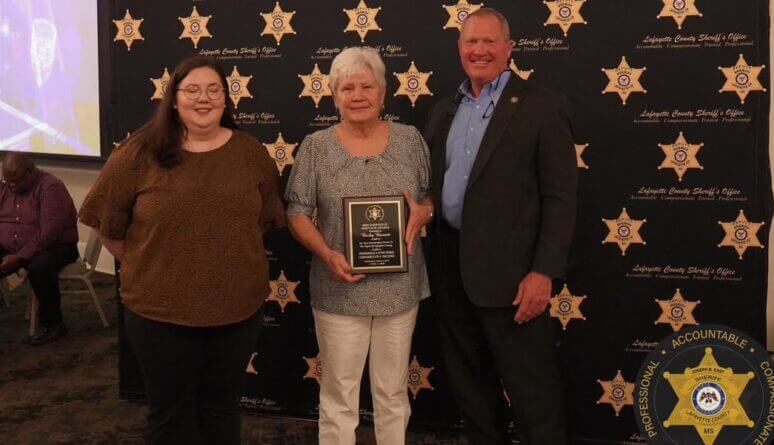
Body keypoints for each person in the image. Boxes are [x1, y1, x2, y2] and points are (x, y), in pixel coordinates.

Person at [79, 55, 285, 445]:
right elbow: (109, 229)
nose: (203, 98)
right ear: (173, 99)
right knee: (170, 416)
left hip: (237, 314)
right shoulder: (137, 153)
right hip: (159, 316)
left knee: (222, 412)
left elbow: (258, 224)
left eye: (213, 90)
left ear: (226, 99)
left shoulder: (250, 153)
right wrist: (154, 264)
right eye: (192, 89)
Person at [423, 8, 577, 445]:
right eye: (471, 42)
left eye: (489, 42)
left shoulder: (542, 105)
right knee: (471, 391)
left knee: (533, 395)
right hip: (450, 270)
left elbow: (560, 198)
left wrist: (543, 272)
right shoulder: (444, 110)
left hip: (514, 279)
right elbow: (434, 186)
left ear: (509, 49)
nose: (480, 50)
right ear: (459, 49)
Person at [285, 46, 433, 445]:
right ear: (334, 95)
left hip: (399, 291)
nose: (357, 95)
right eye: (347, 87)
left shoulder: (410, 140)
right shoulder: (316, 147)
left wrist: (426, 210)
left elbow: (428, 196)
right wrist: (327, 254)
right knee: (339, 396)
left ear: (383, 93)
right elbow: (296, 212)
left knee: (392, 393)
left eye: (367, 86)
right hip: (338, 289)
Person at [0, 152, 79, 345]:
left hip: (55, 246)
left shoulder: (50, 187)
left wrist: (19, 257)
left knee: (40, 267)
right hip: (12, 247)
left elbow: (48, 234)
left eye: (16, 181)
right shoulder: (5, 187)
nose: (12, 186)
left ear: (30, 172)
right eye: (8, 181)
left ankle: (53, 325)